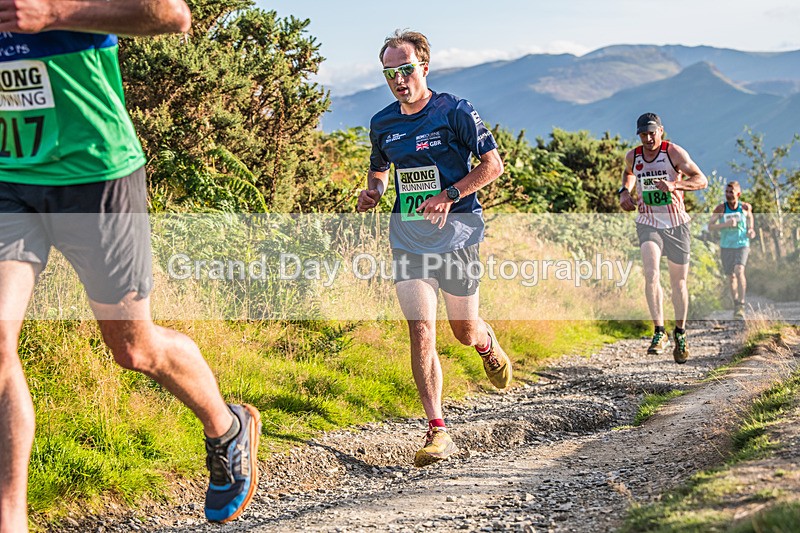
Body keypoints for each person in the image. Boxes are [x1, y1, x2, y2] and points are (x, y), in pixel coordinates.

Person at [0, 2, 259, 528]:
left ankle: (226, 426)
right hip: (9, 174)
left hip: (95, 173)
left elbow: (171, 14)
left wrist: (53, 11)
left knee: (133, 348)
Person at [357, 30, 512, 467]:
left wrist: (450, 194)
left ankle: (485, 342)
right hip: (408, 238)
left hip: (459, 236)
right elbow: (379, 170)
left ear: (424, 66)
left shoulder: (454, 112)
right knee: (421, 330)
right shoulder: (382, 123)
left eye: (405, 70)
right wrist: (372, 192)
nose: (399, 80)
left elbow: (492, 165)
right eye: (390, 74)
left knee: (462, 331)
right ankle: (438, 430)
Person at [619, 113, 708, 364]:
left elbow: (702, 180)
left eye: (652, 133)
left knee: (678, 283)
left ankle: (680, 331)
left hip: (677, 224)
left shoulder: (673, 153)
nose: (648, 139)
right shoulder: (633, 156)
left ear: (661, 131)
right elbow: (629, 174)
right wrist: (624, 192)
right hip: (648, 223)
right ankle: (659, 331)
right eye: (643, 134)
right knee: (651, 273)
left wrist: (675, 186)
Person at [708, 181, 755, 319]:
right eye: (727, 192)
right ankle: (736, 305)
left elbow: (750, 218)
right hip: (726, 245)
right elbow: (710, 226)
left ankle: (741, 303)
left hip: (742, 244)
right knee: (731, 277)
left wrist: (751, 229)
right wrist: (724, 224)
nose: (728, 195)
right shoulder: (721, 208)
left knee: (739, 270)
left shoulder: (745, 207)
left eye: (731, 192)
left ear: (738, 194)